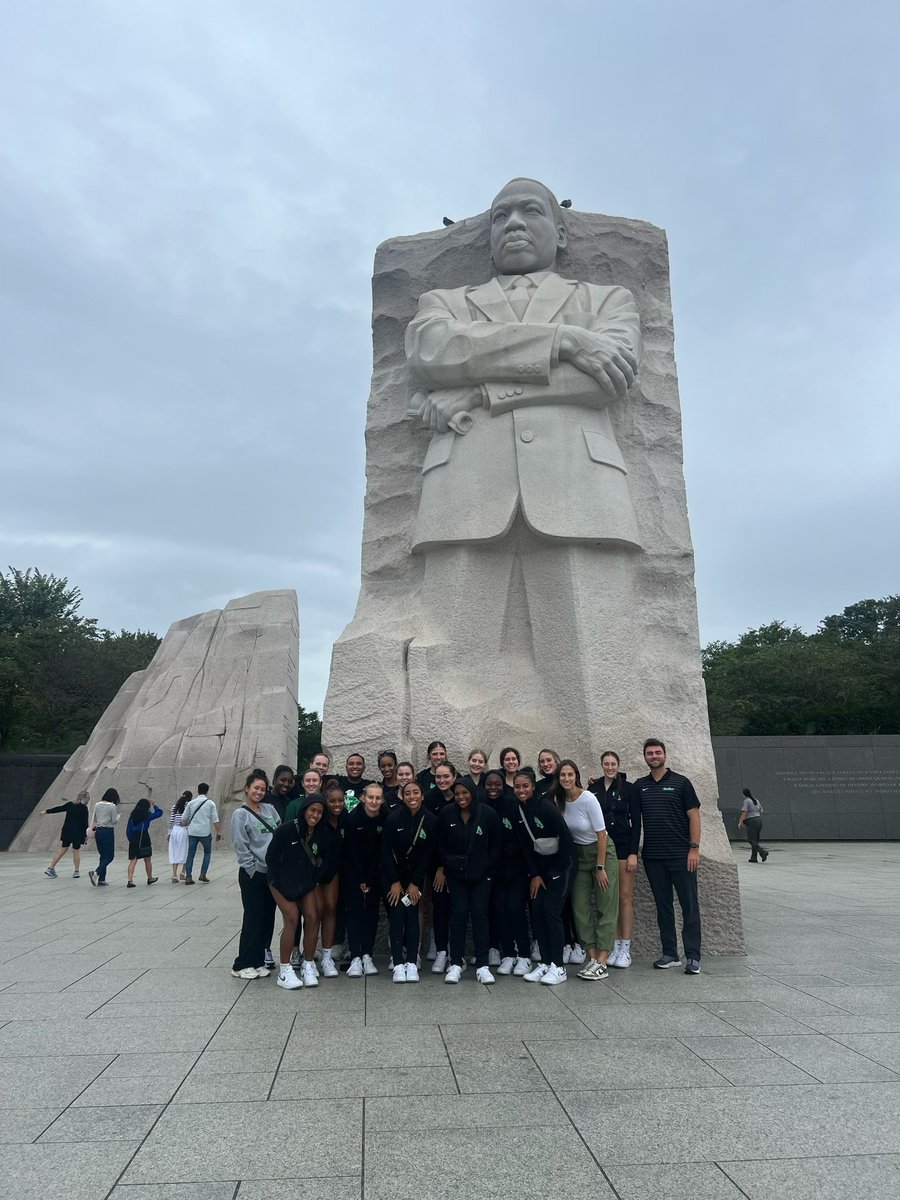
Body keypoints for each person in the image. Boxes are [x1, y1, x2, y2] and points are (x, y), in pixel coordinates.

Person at [404, 177, 642, 737]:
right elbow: (432, 353)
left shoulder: (607, 300)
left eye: (530, 211)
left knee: (594, 669)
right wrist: (564, 340)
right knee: (448, 666)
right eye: (500, 215)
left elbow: (605, 381)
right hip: (464, 491)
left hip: (579, 490)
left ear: (560, 233)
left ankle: (603, 795)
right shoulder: (444, 304)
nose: (513, 223)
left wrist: (482, 392)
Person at [634, 738, 702, 974]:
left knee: (689, 906)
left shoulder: (682, 783)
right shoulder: (640, 786)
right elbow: (621, 798)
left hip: (682, 856)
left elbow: (694, 816)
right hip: (654, 858)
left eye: (657, 752)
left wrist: (694, 848)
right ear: (645, 757)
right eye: (650, 753)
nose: (654, 756)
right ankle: (670, 953)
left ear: (664, 755)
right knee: (663, 907)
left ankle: (693, 956)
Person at [554, 760, 616, 979]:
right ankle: (591, 956)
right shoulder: (558, 800)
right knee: (579, 907)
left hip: (601, 853)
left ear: (576, 776)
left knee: (605, 905)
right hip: (579, 856)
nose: (566, 779)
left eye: (570, 774)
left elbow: (601, 834)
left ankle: (603, 959)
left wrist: (600, 867)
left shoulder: (588, 798)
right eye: (562, 775)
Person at [438, 778, 501, 984]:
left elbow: (495, 846)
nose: (461, 797)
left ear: (473, 793)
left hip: (482, 876)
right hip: (456, 876)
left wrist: (484, 867)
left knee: (480, 915)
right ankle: (456, 962)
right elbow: (441, 844)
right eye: (457, 794)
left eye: (465, 793)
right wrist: (448, 864)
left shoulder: (488, 814)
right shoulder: (447, 813)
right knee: (457, 915)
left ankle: (482, 965)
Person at [515, 771, 574, 985]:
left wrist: (556, 871)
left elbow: (566, 839)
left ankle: (559, 967)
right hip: (540, 870)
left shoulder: (546, 807)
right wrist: (536, 874)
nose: (521, 790)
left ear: (533, 787)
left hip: (560, 867)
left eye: (525, 786)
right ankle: (546, 963)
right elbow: (525, 845)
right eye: (517, 787)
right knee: (537, 912)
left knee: (551, 912)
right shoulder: (519, 809)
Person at [266, 793, 327, 989]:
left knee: (312, 915)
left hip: (305, 882)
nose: (315, 815)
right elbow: (272, 856)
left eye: (319, 812)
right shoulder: (286, 829)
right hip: (281, 882)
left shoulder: (321, 832)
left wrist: (314, 879)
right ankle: (284, 970)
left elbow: (324, 859)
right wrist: (276, 882)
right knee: (292, 917)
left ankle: (308, 964)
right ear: (304, 810)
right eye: (312, 810)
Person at [381, 780, 437, 982]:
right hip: (394, 879)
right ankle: (397, 963)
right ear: (402, 797)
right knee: (396, 914)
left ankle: (412, 962)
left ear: (422, 795)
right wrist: (395, 881)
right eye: (408, 793)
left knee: (412, 913)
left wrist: (415, 882)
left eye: (416, 793)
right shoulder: (393, 819)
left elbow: (427, 855)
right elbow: (386, 851)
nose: (412, 796)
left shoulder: (430, 820)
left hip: (415, 880)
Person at [590, 750, 642, 969]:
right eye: (606, 764)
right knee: (608, 899)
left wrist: (633, 852)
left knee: (624, 897)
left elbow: (636, 822)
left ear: (618, 765)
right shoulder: (593, 788)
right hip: (602, 848)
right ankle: (612, 945)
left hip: (622, 847)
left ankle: (625, 948)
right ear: (601, 765)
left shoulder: (629, 789)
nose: (609, 767)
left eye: (613, 764)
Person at [230, 770, 280, 979]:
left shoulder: (269, 809)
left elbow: (279, 832)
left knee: (267, 918)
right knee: (252, 918)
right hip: (253, 874)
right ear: (247, 789)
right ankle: (242, 964)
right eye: (255, 788)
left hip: (271, 873)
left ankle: (258, 960)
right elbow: (240, 844)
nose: (259, 792)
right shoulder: (240, 814)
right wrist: (251, 869)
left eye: (262, 788)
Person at [486, 770, 532, 976]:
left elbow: (523, 838)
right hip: (494, 871)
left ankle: (524, 955)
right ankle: (508, 954)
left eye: (497, 784)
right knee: (500, 912)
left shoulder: (513, 805)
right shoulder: (481, 806)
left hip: (517, 869)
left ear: (504, 785)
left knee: (515, 910)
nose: (493, 787)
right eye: (489, 784)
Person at [344, 782, 385, 976]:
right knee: (353, 913)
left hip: (375, 873)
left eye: (378, 798)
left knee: (371, 913)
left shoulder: (385, 818)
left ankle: (367, 954)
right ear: (363, 797)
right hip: (354, 873)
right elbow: (351, 850)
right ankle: (355, 956)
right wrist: (360, 878)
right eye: (371, 797)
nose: (374, 801)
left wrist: (369, 877)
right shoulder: (352, 818)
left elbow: (382, 850)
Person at [313, 780, 347, 976]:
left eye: (340, 801)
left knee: (331, 909)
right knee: (315, 911)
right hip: (317, 871)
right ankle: (311, 955)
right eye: (333, 801)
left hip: (335, 871)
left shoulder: (346, 819)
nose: (337, 805)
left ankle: (327, 957)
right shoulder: (319, 820)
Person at [42, 791, 90, 878]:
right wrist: (85, 835)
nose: (89, 800)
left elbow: (59, 808)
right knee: (76, 850)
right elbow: (85, 823)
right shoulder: (84, 808)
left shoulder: (70, 804)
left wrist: (46, 811)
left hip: (67, 830)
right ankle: (76, 871)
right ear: (84, 798)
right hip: (77, 832)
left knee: (63, 849)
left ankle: (51, 868)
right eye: (88, 798)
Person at [182, 784, 222, 884]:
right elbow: (215, 819)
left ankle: (188, 877)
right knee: (207, 852)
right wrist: (219, 832)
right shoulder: (210, 803)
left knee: (190, 854)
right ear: (207, 791)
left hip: (192, 832)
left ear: (198, 790)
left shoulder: (191, 803)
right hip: (205, 832)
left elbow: (183, 819)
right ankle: (203, 874)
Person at [125, 798, 163, 886]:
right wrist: (155, 805)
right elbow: (159, 813)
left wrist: (131, 840)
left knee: (133, 860)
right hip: (144, 837)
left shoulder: (132, 816)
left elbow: (128, 830)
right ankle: (150, 878)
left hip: (134, 838)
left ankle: (130, 880)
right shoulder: (147, 815)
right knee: (147, 859)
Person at [88, 788, 121, 887]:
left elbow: (96, 818)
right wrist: (118, 817)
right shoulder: (112, 806)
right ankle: (96, 872)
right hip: (108, 831)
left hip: (98, 831)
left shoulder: (97, 804)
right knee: (110, 856)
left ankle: (102, 879)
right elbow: (114, 820)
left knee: (103, 855)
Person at [738, 787, 768, 863]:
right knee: (755, 840)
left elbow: (744, 812)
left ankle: (762, 851)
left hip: (752, 821)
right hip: (759, 820)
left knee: (750, 839)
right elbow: (761, 810)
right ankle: (753, 858)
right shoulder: (756, 800)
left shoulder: (746, 801)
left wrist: (740, 822)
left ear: (743, 794)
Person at [168, 792, 191, 882]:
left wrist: (169, 832)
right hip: (184, 830)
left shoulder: (175, 806)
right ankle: (182, 873)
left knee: (174, 851)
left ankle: (174, 875)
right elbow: (189, 819)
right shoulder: (188, 806)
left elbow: (171, 821)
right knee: (185, 851)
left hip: (174, 830)